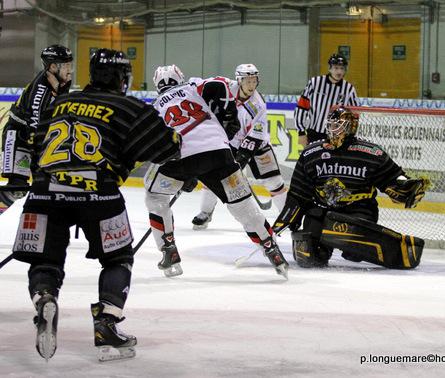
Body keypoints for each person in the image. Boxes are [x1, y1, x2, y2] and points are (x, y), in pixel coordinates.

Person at [11, 49, 181, 362]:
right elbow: (168, 147)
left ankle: (45, 299)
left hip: (45, 192)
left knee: (44, 261)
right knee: (119, 259)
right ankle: (107, 324)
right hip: (99, 195)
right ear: (122, 77)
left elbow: (33, 144)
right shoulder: (129, 107)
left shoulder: (58, 102)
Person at [144, 64, 288, 278]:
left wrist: (184, 177)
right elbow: (219, 83)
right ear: (180, 78)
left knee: (154, 196)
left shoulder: (155, 107)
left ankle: (168, 249)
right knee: (244, 207)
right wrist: (228, 116)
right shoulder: (193, 86)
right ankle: (271, 249)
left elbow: (154, 146)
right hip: (219, 152)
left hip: (182, 157)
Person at [273, 107, 430, 270]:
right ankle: (329, 242)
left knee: (353, 252)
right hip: (323, 211)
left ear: (350, 127)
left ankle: (352, 244)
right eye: (331, 124)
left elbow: (392, 178)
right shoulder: (311, 154)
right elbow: (300, 193)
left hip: (358, 211)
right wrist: (287, 219)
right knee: (309, 256)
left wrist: (406, 187)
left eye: (338, 125)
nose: (333, 129)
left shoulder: (370, 153)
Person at [192, 63, 287, 230]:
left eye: (254, 81)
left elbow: (257, 133)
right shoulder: (225, 88)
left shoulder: (258, 104)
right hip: (230, 142)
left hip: (258, 145)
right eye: (248, 81)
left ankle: (287, 218)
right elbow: (200, 84)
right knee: (215, 176)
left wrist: (243, 156)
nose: (252, 85)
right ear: (239, 80)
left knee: (274, 182)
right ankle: (205, 212)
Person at [0, 44, 73, 212]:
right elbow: (34, 124)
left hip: (35, 137)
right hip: (19, 135)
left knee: (48, 186)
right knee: (17, 187)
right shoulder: (41, 89)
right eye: (66, 65)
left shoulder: (61, 82)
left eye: (70, 64)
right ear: (53, 66)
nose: (70, 70)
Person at [294, 53, 359, 147]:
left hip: (336, 136)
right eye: (336, 68)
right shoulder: (315, 83)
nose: (339, 72)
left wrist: (350, 135)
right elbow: (302, 107)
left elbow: (354, 115)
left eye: (342, 68)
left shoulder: (348, 89)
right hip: (314, 134)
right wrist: (301, 132)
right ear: (330, 68)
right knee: (312, 161)